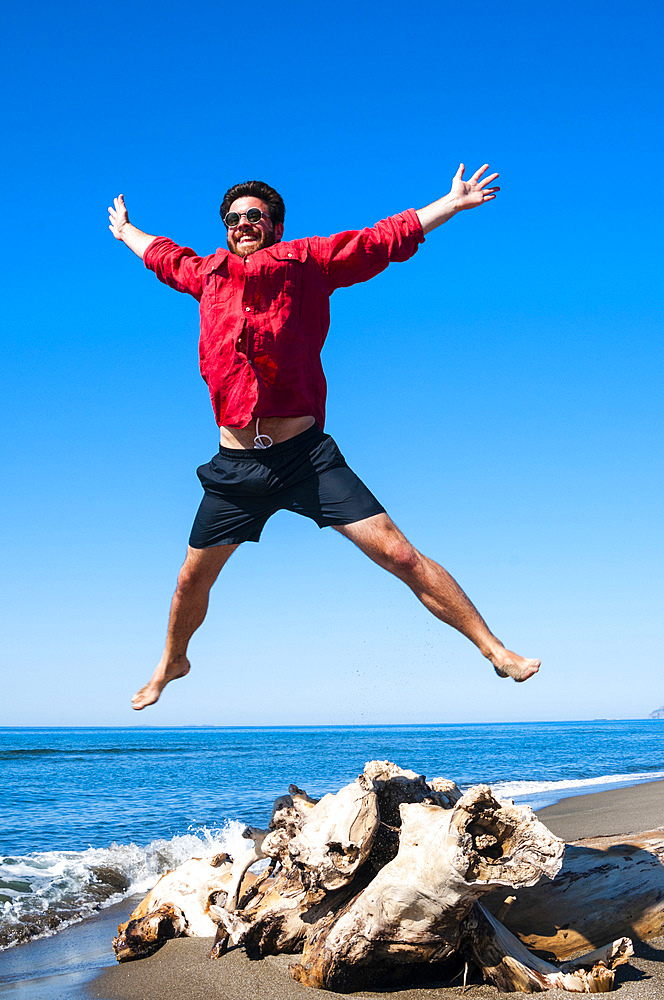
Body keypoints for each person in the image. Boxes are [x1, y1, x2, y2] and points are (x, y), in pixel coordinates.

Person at [108, 164, 540, 711]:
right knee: (189, 581)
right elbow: (161, 254)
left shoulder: (308, 262)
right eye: (233, 217)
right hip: (235, 467)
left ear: (275, 225)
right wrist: (125, 232)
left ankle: (494, 648)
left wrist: (449, 205)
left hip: (306, 458)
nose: (243, 223)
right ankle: (173, 660)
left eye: (254, 216)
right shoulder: (206, 274)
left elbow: (381, 240)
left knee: (400, 555)